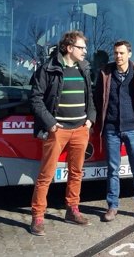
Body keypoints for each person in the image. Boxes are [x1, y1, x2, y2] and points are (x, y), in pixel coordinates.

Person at [29, 30, 96, 236]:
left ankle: (72, 209)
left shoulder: (84, 68)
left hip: (80, 129)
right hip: (57, 131)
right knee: (46, 175)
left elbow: (90, 96)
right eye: (81, 48)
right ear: (69, 48)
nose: (85, 51)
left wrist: (90, 119)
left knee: (76, 173)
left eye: (85, 48)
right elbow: (35, 99)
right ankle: (38, 216)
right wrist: (50, 123)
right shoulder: (48, 69)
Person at [95, 40, 134, 223]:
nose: (118, 57)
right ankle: (112, 207)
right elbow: (98, 98)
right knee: (113, 170)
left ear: (129, 54)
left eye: (121, 53)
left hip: (132, 129)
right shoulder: (105, 73)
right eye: (116, 53)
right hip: (111, 130)